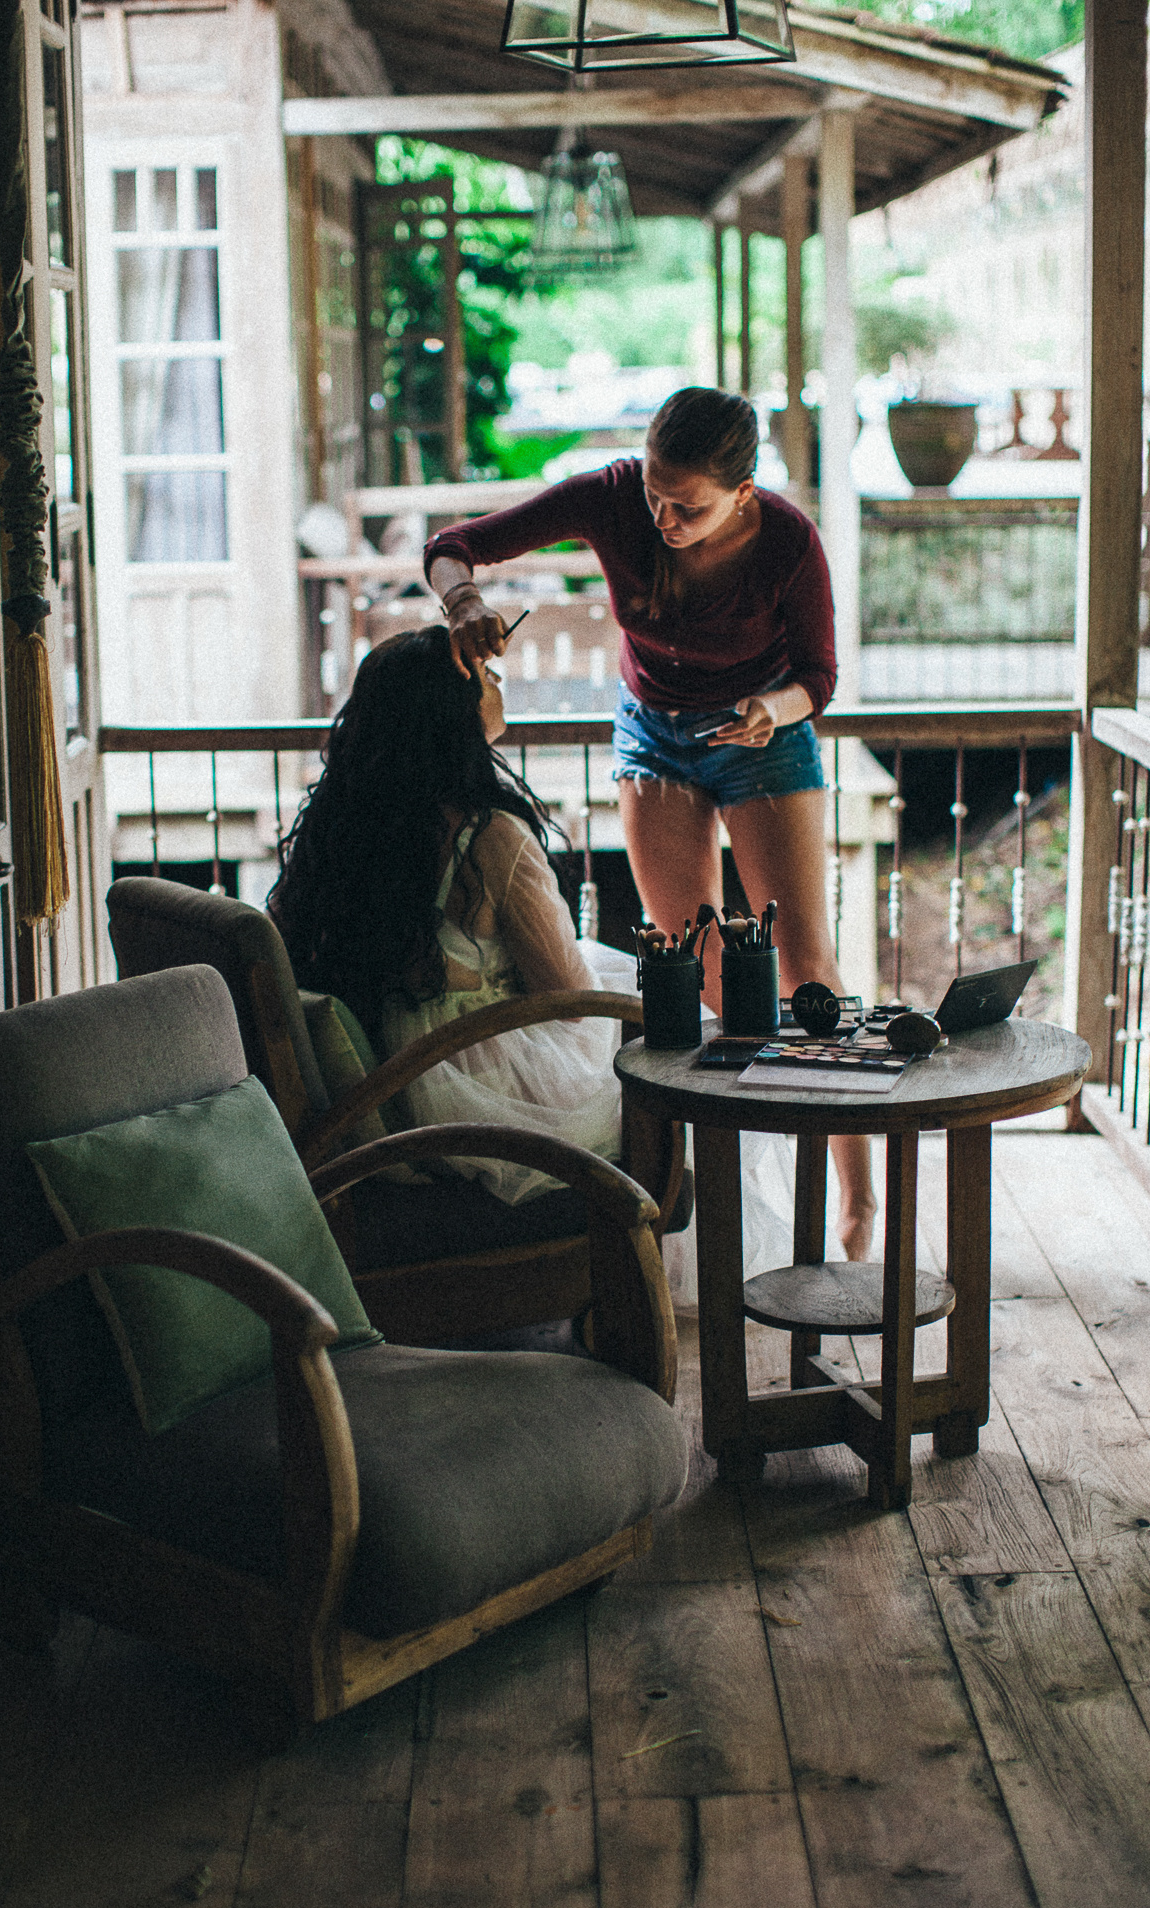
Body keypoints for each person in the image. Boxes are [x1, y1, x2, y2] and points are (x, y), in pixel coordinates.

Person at [425, 385, 877, 1261]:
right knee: (700, 973)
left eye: (689, 507)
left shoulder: (787, 540)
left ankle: (857, 1200)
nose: (664, 519)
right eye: (656, 499)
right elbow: (455, 547)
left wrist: (772, 710)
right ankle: (746, 1181)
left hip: (764, 735)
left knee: (807, 971)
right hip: (654, 738)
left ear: (743, 492)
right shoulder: (613, 494)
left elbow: (818, 677)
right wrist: (464, 604)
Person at [268, 624, 628, 1206]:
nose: (498, 680)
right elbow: (568, 999)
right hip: (478, 1095)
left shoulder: (347, 826)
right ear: (450, 709)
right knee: (674, 1050)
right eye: (486, 675)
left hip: (402, 1076)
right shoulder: (490, 838)